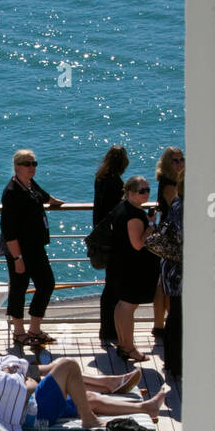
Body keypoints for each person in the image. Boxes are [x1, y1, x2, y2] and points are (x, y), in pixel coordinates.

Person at [0, 326, 166, 431]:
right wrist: (23, 377)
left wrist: (19, 373)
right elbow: (25, 386)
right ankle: (88, 419)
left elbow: (11, 365)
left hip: (30, 405)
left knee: (86, 397)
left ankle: (146, 408)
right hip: (31, 417)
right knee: (67, 365)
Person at [0, 149, 65, 349]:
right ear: (17, 166)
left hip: (35, 247)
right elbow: (8, 229)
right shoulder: (11, 192)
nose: (32, 167)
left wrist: (55, 201)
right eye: (28, 164)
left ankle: (34, 329)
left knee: (46, 284)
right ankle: (19, 332)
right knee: (19, 287)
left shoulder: (29, 184)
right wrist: (17, 257)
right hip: (19, 249)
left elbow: (42, 196)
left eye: (34, 163)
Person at [110, 176, 161, 362]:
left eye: (147, 190)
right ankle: (129, 348)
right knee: (128, 306)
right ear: (130, 193)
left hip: (122, 263)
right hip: (133, 267)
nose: (146, 193)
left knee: (122, 305)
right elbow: (138, 244)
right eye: (142, 191)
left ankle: (124, 345)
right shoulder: (134, 216)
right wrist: (151, 225)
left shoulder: (124, 208)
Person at [92, 145, 129, 343]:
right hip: (114, 240)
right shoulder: (116, 183)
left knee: (109, 286)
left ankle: (106, 329)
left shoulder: (100, 178)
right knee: (114, 287)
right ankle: (110, 329)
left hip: (103, 236)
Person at [152, 147, 185, 336]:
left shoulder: (170, 181)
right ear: (167, 163)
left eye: (181, 159)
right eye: (175, 160)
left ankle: (160, 324)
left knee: (162, 282)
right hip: (171, 238)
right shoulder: (171, 185)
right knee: (168, 284)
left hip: (167, 235)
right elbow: (176, 212)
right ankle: (167, 323)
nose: (180, 163)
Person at [159, 173, 184, 378]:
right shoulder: (185, 208)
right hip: (180, 268)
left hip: (171, 265)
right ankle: (177, 363)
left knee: (175, 314)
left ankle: (171, 361)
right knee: (179, 315)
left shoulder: (177, 203)